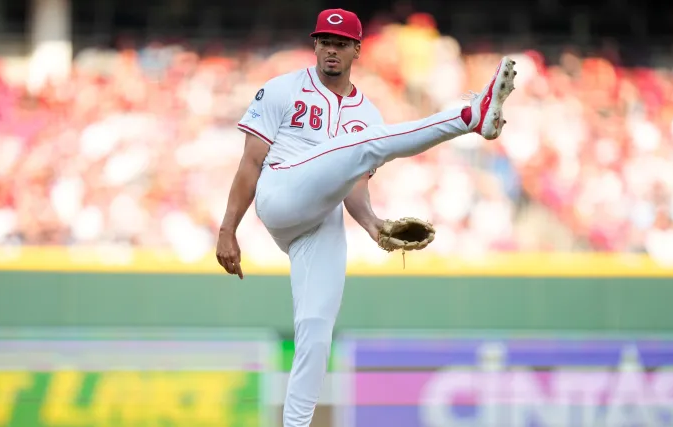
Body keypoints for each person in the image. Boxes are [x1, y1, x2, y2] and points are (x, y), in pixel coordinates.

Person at [216, 8, 516, 427]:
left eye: (340, 43)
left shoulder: (367, 112)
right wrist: (227, 229)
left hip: (321, 217)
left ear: (357, 49)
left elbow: (352, 182)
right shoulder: (282, 89)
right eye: (325, 41)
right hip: (281, 190)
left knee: (316, 330)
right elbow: (251, 163)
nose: (331, 50)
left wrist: (374, 225)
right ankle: (467, 116)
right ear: (315, 44)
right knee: (364, 142)